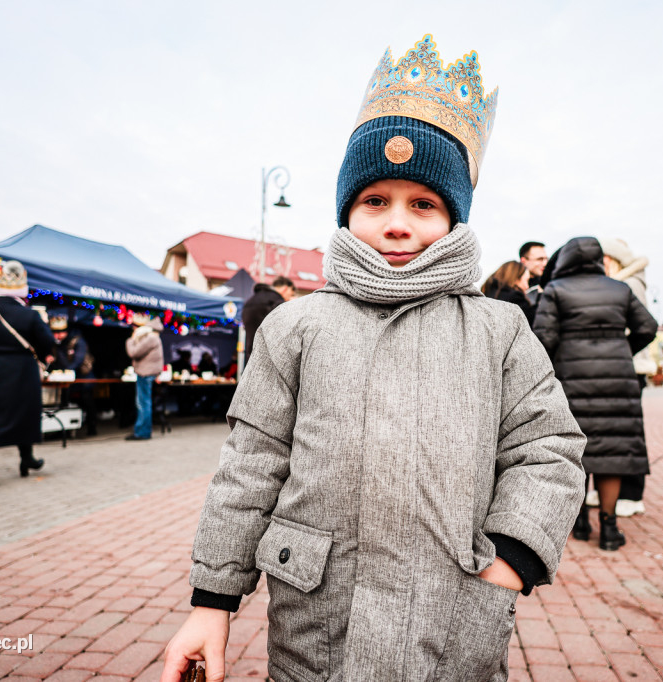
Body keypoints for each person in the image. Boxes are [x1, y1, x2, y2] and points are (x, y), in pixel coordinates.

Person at [161, 35, 586, 682]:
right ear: (347, 211)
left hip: (455, 619)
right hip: (317, 623)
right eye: (374, 201)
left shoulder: (500, 330)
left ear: (453, 220)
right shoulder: (296, 326)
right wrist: (211, 602)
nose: (396, 222)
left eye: (423, 204)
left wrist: (509, 562)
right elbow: (251, 465)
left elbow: (549, 449)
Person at [532, 237, 658, 551]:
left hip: (573, 380)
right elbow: (649, 327)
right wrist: (623, 351)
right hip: (618, 380)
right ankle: (610, 526)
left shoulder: (556, 290)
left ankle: (580, 522)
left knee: (577, 451)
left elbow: (543, 339)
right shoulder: (620, 289)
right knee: (611, 454)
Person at [0, 260, 54, 490]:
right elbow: (47, 343)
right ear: (22, 290)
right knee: (24, 413)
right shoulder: (31, 316)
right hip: (22, 372)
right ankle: (27, 458)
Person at [599, 238, 657, 517]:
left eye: (604, 259)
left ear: (613, 259)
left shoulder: (629, 284)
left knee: (629, 434)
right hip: (624, 367)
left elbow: (642, 327)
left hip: (630, 368)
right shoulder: (624, 282)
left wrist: (620, 351)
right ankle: (617, 493)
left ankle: (631, 495)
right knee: (618, 432)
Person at [46, 315, 97, 436]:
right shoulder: (57, 344)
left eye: (59, 333)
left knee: (87, 400)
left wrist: (67, 371)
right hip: (66, 378)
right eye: (54, 333)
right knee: (64, 400)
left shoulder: (78, 341)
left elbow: (78, 360)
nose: (56, 336)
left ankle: (92, 427)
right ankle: (64, 428)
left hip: (83, 376)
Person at [241, 276, 296, 368]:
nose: (288, 298)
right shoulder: (276, 301)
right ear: (285, 289)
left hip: (250, 360)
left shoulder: (249, 301)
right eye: (290, 295)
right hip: (268, 363)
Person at [124, 314, 163, 441]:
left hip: (145, 374)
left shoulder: (150, 338)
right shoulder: (153, 336)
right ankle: (142, 431)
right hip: (146, 373)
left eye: (134, 326)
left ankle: (143, 432)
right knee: (143, 403)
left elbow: (133, 352)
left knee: (143, 404)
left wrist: (130, 340)